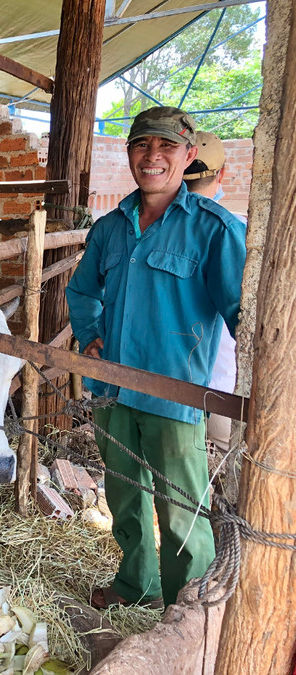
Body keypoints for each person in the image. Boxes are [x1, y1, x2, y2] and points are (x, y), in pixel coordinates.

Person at [66, 107, 247, 609]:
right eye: (142, 145)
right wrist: (91, 335)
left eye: (167, 147)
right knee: (124, 497)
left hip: (176, 398)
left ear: (189, 156)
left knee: (183, 512)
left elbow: (240, 316)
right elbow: (82, 292)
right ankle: (135, 586)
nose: (153, 157)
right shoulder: (111, 227)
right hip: (113, 391)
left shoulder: (214, 229)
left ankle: (187, 611)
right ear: (129, 153)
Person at [183, 131, 247, 455]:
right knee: (223, 480)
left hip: (165, 389)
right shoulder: (236, 229)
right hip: (222, 388)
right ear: (221, 174)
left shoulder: (152, 228)